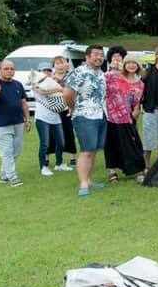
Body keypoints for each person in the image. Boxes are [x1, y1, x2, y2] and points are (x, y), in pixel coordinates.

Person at [63, 45, 108, 197]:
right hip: (84, 116)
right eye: (95, 54)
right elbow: (67, 94)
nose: (99, 57)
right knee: (86, 150)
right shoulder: (79, 72)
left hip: (100, 115)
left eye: (101, 55)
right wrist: (73, 108)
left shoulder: (101, 74)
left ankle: (88, 180)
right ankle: (83, 183)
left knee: (94, 150)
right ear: (87, 57)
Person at [0, 59, 31, 187]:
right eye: (6, 69)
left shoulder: (18, 85)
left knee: (16, 151)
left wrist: (27, 120)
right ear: (0, 70)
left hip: (18, 123)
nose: (9, 71)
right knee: (6, 152)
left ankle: (4, 175)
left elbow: (23, 103)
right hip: (1, 125)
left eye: (12, 69)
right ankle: (13, 177)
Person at [104, 53, 145, 182]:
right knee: (112, 145)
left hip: (127, 118)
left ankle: (139, 169)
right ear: (124, 64)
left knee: (134, 144)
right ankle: (112, 172)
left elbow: (136, 102)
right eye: (129, 63)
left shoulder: (140, 83)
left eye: (134, 63)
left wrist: (136, 106)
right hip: (111, 117)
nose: (131, 65)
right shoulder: (113, 76)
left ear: (138, 66)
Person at [31, 63, 68, 176]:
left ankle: (59, 164)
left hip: (55, 118)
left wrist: (57, 87)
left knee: (61, 142)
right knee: (45, 144)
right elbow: (41, 91)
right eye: (44, 70)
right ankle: (43, 167)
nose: (47, 72)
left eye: (49, 70)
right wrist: (57, 89)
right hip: (42, 118)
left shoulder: (53, 83)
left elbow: (63, 91)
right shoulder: (35, 83)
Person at [49, 55, 77, 168]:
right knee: (51, 134)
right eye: (57, 64)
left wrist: (70, 71)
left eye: (62, 63)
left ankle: (73, 157)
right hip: (53, 109)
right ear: (53, 66)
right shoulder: (49, 78)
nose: (60, 66)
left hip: (67, 109)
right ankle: (47, 158)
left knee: (69, 132)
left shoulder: (70, 76)